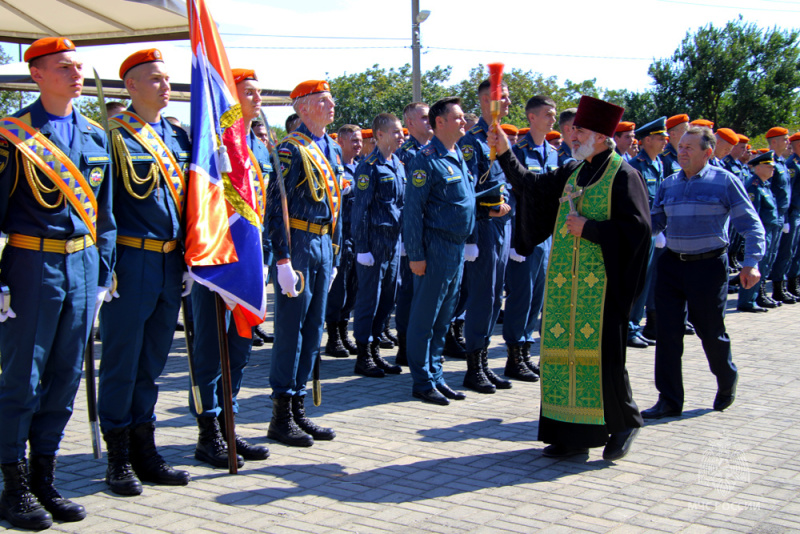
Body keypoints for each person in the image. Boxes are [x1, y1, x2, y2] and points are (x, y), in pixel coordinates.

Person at [488, 95, 650, 461]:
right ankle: (571, 435)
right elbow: (531, 187)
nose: (573, 136)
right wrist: (504, 152)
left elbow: (638, 233)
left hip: (603, 291)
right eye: (574, 130)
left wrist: (590, 228)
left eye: (582, 130)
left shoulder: (624, 176)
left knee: (604, 361)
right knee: (562, 358)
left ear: (603, 136)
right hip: (564, 289)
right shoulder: (573, 173)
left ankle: (625, 423)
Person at [0, 37, 115, 530]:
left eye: (78, 67)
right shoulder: (13, 136)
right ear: (36, 76)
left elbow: (105, 217)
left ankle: (45, 477)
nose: (76, 74)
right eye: (64, 67)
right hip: (32, 265)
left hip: (83, 268)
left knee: (66, 378)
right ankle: (14, 484)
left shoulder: (94, 135)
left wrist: (104, 272)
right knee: (22, 378)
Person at [98, 49, 191, 496]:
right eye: (154, 79)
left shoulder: (177, 136)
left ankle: (144, 448)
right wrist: (105, 269)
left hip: (170, 261)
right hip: (131, 263)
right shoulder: (113, 137)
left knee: (151, 362)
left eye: (167, 78)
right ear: (131, 86)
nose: (165, 86)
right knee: (121, 361)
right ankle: (118, 458)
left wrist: (191, 259)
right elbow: (102, 208)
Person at [643, 126, 765, 419]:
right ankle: (669, 399)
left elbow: (751, 224)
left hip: (708, 267)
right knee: (668, 333)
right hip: (672, 264)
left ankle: (726, 376)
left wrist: (751, 263)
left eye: (689, 148)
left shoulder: (725, 182)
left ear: (707, 153)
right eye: (680, 146)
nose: (681, 152)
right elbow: (654, 222)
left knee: (710, 331)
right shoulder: (669, 183)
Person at [189, 68, 270, 469]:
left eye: (258, 92)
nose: (256, 97)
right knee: (209, 352)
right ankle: (208, 434)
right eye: (248, 92)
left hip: (247, 262)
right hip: (217, 262)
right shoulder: (211, 142)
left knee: (238, 349)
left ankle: (229, 427)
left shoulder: (254, 146)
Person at [266, 80, 343, 447]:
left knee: (313, 332)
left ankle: (298, 409)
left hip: (323, 246)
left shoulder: (329, 148)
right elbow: (275, 208)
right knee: (290, 333)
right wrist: (281, 258)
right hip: (297, 246)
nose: (331, 106)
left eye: (330, 101)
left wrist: (337, 252)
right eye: (323, 102)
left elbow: (336, 208)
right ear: (303, 109)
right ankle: (281, 415)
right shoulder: (289, 149)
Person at [404, 96, 475, 405]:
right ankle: (422, 381)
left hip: (456, 247)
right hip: (434, 247)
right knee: (425, 317)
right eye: (458, 117)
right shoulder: (425, 159)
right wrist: (416, 255)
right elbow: (412, 211)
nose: (464, 121)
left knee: (444, 317)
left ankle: (436, 374)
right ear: (440, 122)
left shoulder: (456, 154)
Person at [457, 79, 513, 394]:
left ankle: (483, 363)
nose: (505, 103)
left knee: (495, 296)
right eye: (499, 98)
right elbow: (467, 191)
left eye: (506, 98)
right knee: (482, 296)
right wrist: (472, 235)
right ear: (483, 102)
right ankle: (473, 366)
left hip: (502, 227)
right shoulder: (472, 141)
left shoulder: (501, 139)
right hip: (483, 227)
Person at [504, 95, 559, 382]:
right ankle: (513, 357)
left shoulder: (552, 153)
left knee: (537, 298)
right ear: (532, 118)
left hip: (546, 237)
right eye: (548, 114)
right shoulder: (518, 152)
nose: (553, 118)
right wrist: (515, 242)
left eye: (554, 114)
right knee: (520, 298)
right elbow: (511, 197)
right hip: (524, 238)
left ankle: (525, 351)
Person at [351, 113, 406, 377]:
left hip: (393, 245)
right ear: (380, 135)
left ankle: (375, 351)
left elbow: (402, 205)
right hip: (372, 245)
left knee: (387, 300)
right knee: (368, 302)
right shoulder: (368, 166)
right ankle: (363, 355)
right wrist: (361, 248)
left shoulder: (397, 163)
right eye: (396, 132)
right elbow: (359, 210)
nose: (401, 136)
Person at [394, 102, 434, 366]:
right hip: (414, 234)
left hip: (434, 233)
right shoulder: (404, 154)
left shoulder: (437, 150)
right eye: (423, 117)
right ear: (409, 123)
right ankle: (405, 345)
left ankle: (426, 343)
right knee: (408, 292)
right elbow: (406, 201)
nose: (429, 120)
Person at [626, 117, 668, 349]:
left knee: (647, 280)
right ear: (648, 140)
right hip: (640, 231)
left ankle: (635, 324)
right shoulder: (636, 165)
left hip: (654, 231)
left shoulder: (657, 163)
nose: (665, 142)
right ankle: (628, 328)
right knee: (636, 281)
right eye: (661, 138)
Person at [324, 124, 362, 359]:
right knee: (339, 289)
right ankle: (333, 337)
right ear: (341, 142)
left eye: (359, 140)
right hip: (341, 235)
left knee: (353, 288)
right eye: (354, 140)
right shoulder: (334, 168)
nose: (358, 144)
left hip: (358, 236)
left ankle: (343, 330)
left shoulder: (360, 168)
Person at [737, 151, 780, 312]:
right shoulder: (753, 186)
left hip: (770, 229)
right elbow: (752, 214)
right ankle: (747, 300)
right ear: (758, 168)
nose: (772, 169)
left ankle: (758, 295)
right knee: (756, 263)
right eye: (768, 166)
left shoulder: (765, 185)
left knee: (767, 262)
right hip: (760, 231)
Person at [766, 127, 798, 305]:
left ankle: (785, 286)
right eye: (785, 139)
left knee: (789, 252)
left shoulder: (783, 163)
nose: (788, 143)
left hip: (786, 214)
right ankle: (777, 288)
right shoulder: (772, 162)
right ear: (774, 141)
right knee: (779, 253)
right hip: (781, 214)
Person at [785, 132, 800, 299]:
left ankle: (794, 281)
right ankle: (788, 283)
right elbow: (788, 194)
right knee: (789, 251)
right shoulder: (792, 165)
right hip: (793, 212)